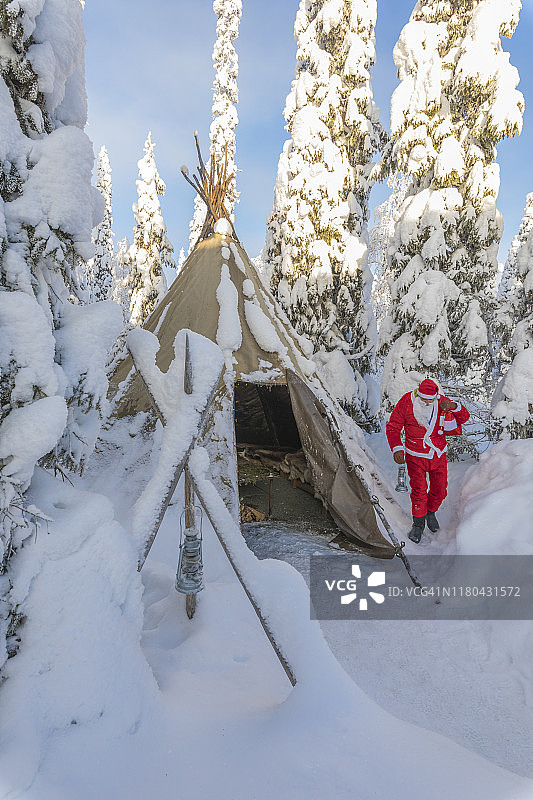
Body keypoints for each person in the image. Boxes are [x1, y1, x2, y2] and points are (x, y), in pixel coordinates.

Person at [386, 378, 470, 543]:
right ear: (418, 394)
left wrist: (454, 406)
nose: (426, 402)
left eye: (429, 400)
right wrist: (397, 448)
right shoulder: (407, 401)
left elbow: (464, 417)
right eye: (423, 398)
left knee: (440, 490)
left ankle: (430, 512)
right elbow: (393, 426)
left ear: (435, 396)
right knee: (419, 491)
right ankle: (418, 524)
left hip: (437, 454)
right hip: (415, 455)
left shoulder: (442, 402)